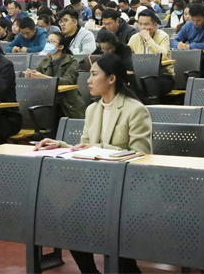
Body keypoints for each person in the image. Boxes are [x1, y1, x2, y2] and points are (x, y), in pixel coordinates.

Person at [34, 52, 151, 274]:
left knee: (107, 224)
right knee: (66, 217)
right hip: (96, 184)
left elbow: (142, 154)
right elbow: (86, 147)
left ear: (111, 78)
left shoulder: (135, 110)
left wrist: (100, 148)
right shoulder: (92, 109)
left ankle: (127, 269)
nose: (88, 80)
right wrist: (61, 145)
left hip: (127, 187)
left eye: (94, 74)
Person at [25, 32, 87, 119]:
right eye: (47, 41)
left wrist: (43, 77)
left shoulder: (72, 61)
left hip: (68, 103)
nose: (48, 44)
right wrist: (31, 76)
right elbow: (37, 76)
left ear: (60, 47)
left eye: (52, 41)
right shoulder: (45, 61)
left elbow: (67, 81)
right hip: (48, 100)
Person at [128, 10, 175, 97]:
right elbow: (127, 57)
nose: (143, 28)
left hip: (162, 76)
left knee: (149, 81)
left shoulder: (162, 36)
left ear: (155, 25)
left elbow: (162, 56)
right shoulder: (134, 38)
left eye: (146, 24)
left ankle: (152, 104)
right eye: (140, 24)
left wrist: (148, 39)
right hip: (140, 75)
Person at [173, 3, 204, 78]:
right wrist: (178, 45)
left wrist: (190, 46)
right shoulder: (189, 25)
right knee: (178, 72)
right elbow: (174, 41)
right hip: (193, 60)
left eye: (198, 20)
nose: (195, 23)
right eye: (193, 20)